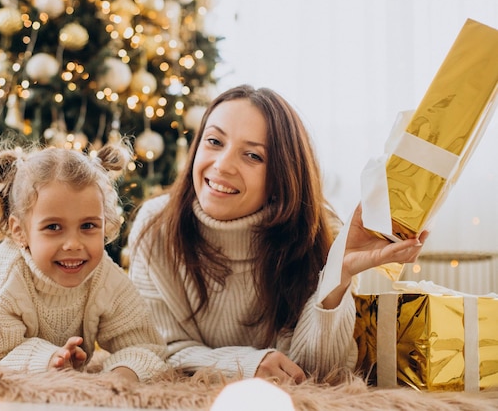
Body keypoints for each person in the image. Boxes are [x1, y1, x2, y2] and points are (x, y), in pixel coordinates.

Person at [127, 84, 428, 385]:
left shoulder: (321, 233)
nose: (222, 165)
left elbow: (320, 374)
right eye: (214, 141)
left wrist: (339, 274)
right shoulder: (157, 226)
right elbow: (158, 350)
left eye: (253, 156)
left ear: (281, 175)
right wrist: (244, 365)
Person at [0, 143, 167, 382]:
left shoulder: (104, 276)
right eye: (53, 227)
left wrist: (122, 374)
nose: (73, 244)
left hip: (12, 336)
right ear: (20, 231)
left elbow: (145, 344)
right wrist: (48, 360)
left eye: (88, 226)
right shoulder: (4, 281)